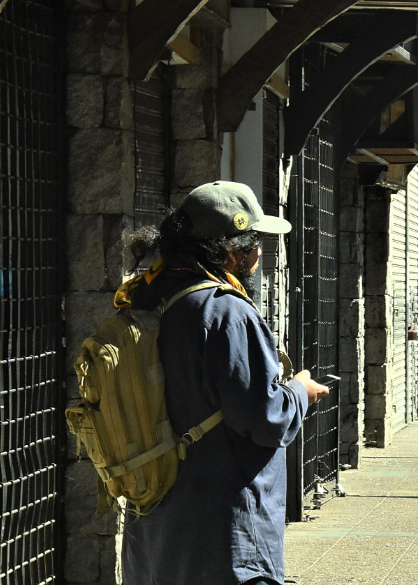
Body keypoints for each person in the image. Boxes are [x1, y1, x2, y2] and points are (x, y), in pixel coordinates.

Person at [119, 181, 330, 585]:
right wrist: (300, 393)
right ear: (233, 253)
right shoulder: (225, 313)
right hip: (223, 537)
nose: (259, 255)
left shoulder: (146, 299)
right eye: (256, 244)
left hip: (154, 528)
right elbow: (265, 418)